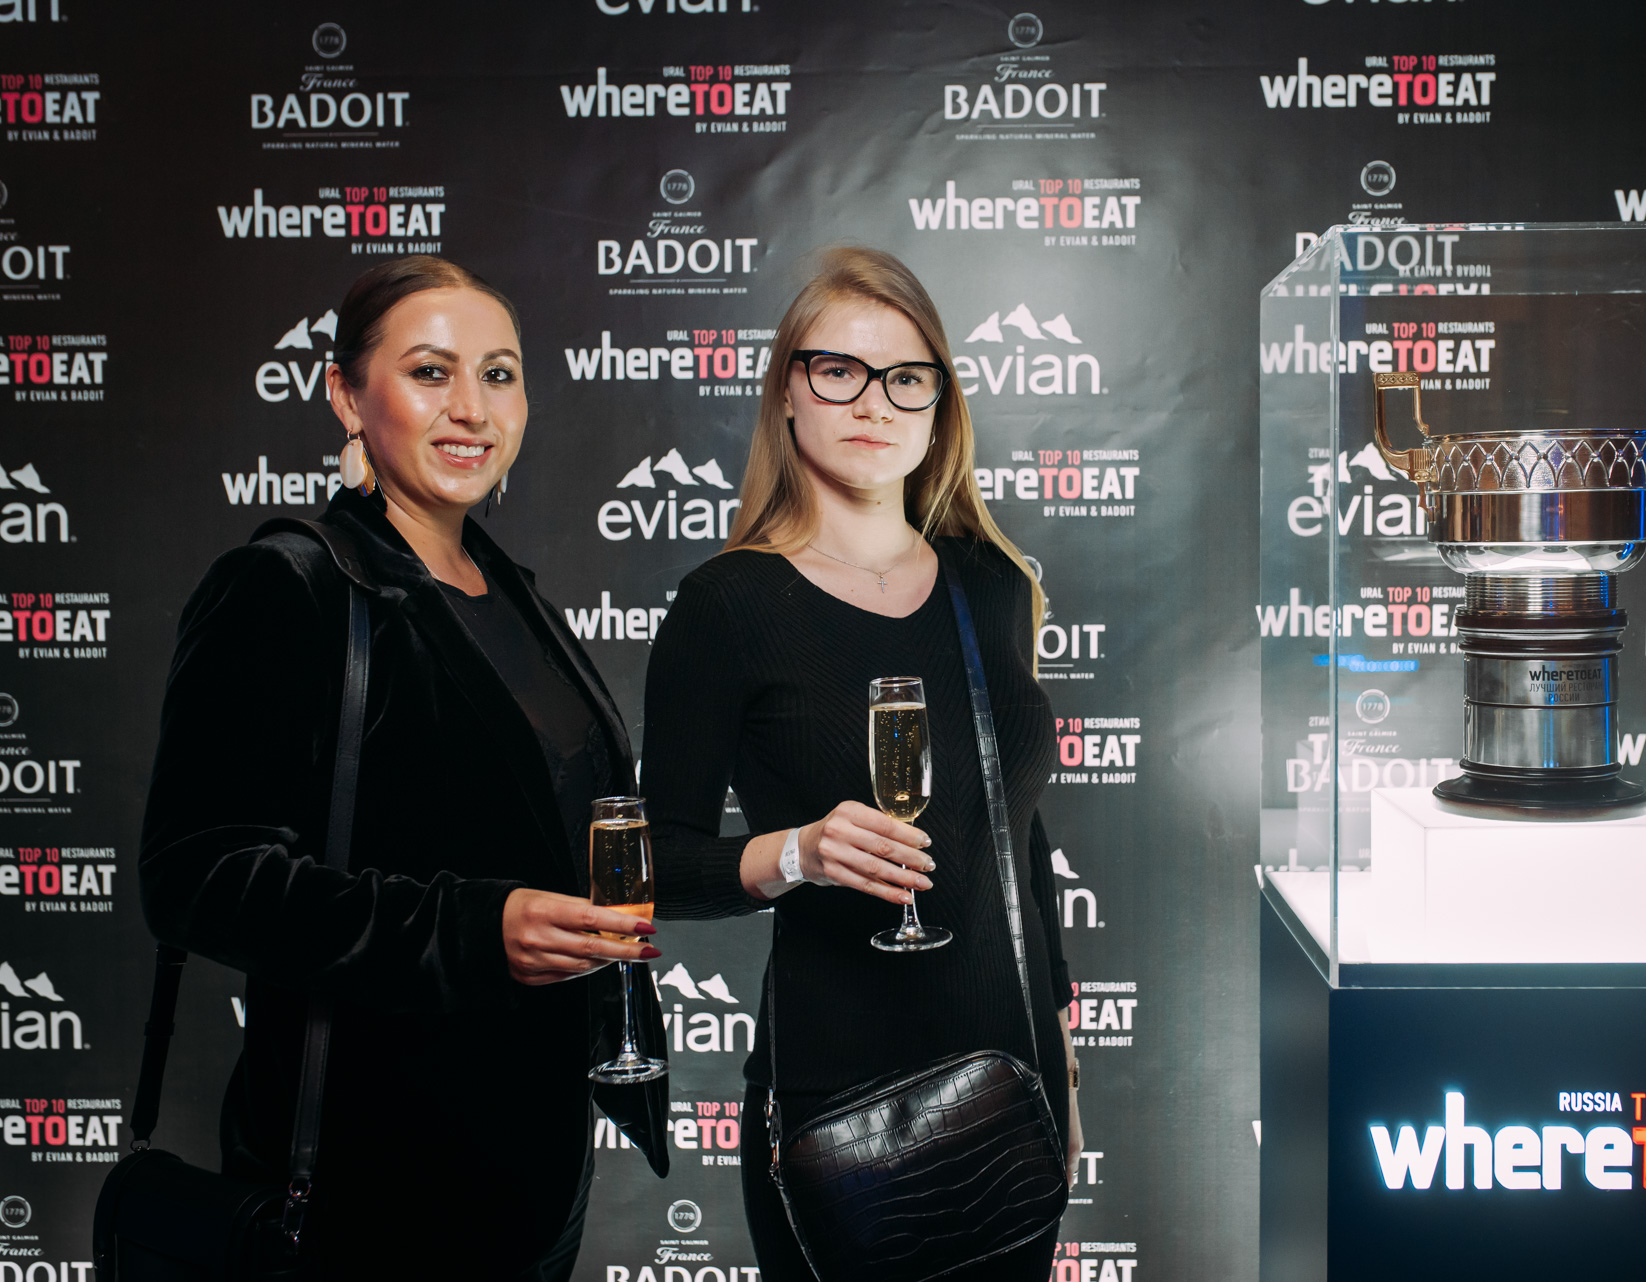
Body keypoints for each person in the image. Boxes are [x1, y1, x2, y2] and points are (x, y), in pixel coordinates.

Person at [139, 255, 669, 1279]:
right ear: (346, 395)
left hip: (532, 1174)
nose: (472, 407)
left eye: (499, 373)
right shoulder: (287, 585)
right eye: (431, 372)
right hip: (374, 1180)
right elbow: (195, 877)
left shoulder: (510, 595)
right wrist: (471, 929)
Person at [643, 246, 1083, 1280]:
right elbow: (653, 864)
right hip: (838, 1106)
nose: (874, 401)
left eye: (905, 377)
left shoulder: (991, 584)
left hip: (1009, 1084)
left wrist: (1062, 1053)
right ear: (786, 392)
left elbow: (1018, 839)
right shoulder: (728, 604)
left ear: (939, 407)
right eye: (838, 369)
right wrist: (796, 852)